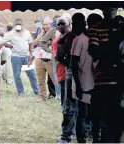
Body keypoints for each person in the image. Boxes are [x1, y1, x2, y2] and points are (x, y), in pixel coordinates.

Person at [88, 7, 123, 142]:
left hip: (116, 81)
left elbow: (97, 53)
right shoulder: (96, 28)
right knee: (108, 122)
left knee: (116, 123)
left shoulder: (120, 26)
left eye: (113, 6)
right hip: (106, 82)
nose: (110, 10)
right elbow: (94, 52)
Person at [70, 14, 94, 143]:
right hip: (84, 83)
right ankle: (81, 139)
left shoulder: (80, 39)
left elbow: (73, 64)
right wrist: (78, 86)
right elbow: (73, 64)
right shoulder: (80, 39)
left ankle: (87, 137)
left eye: (75, 23)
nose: (73, 26)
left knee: (86, 114)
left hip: (90, 84)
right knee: (83, 114)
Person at [55, 15, 78, 143]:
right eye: (59, 24)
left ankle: (69, 135)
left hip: (77, 72)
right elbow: (61, 57)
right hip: (75, 72)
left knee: (72, 105)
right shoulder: (67, 37)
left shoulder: (69, 36)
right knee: (71, 105)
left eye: (62, 23)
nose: (61, 26)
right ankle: (69, 135)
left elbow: (60, 56)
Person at [2, 18, 39, 96]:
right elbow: (2, 41)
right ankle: (20, 91)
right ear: (14, 25)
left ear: (22, 25)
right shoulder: (10, 34)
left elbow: (31, 43)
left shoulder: (27, 32)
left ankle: (36, 90)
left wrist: (31, 54)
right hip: (16, 56)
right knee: (17, 75)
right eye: (17, 24)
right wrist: (10, 45)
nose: (18, 25)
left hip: (26, 56)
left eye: (20, 24)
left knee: (31, 74)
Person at [34, 18, 55, 101]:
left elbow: (47, 43)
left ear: (51, 25)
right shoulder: (40, 32)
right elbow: (35, 43)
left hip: (49, 59)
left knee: (54, 79)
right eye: (44, 24)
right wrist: (41, 33)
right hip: (39, 58)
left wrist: (42, 43)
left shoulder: (53, 33)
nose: (45, 26)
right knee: (40, 79)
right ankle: (42, 95)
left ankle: (59, 96)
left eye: (47, 24)